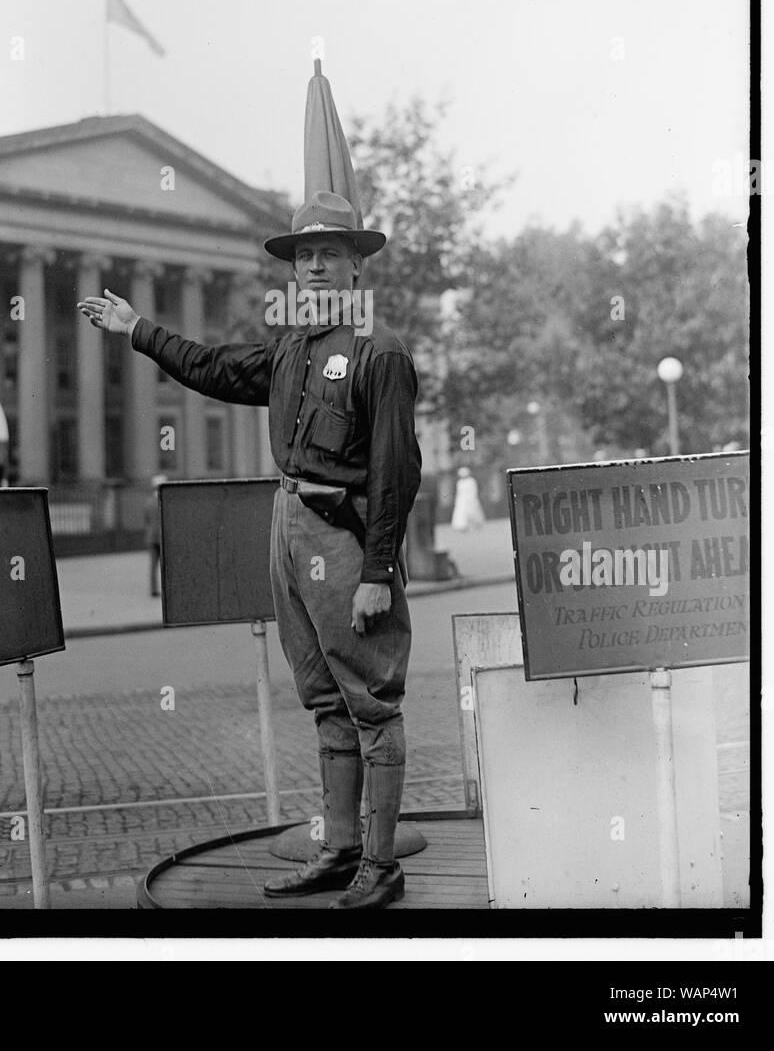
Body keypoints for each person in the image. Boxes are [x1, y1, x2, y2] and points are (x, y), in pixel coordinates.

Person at [78, 190, 421, 910]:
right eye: (305, 256)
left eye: (331, 254)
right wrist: (138, 328)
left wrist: (378, 573)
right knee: (323, 697)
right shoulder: (293, 345)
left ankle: (381, 866)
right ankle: (338, 848)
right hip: (288, 525)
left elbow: (396, 469)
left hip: (346, 535)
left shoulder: (379, 352)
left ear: (357, 268)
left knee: (371, 703)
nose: (316, 268)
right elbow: (214, 368)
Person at [451, 467, 485, 532]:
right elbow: (459, 492)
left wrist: (472, 498)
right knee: (462, 513)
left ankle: (475, 524)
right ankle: (463, 526)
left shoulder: (471, 481)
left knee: (473, 511)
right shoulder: (459, 482)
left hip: (470, 499)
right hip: (462, 500)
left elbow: (474, 490)